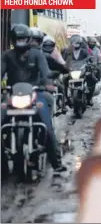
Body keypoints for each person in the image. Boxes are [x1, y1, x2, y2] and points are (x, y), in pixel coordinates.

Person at [1, 24, 66, 173]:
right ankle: (2, 163)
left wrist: (52, 75)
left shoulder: (37, 54)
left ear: (29, 39)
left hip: (35, 95)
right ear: (13, 40)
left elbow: (45, 72)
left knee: (47, 126)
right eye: (18, 39)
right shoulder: (6, 56)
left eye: (23, 39)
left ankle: (56, 162)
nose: (21, 42)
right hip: (12, 97)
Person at [42, 35, 70, 113]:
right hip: (41, 77)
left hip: (53, 76)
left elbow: (62, 63)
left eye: (50, 45)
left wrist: (65, 68)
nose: (48, 47)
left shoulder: (56, 53)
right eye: (46, 45)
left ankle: (63, 105)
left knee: (61, 87)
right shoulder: (39, 53)